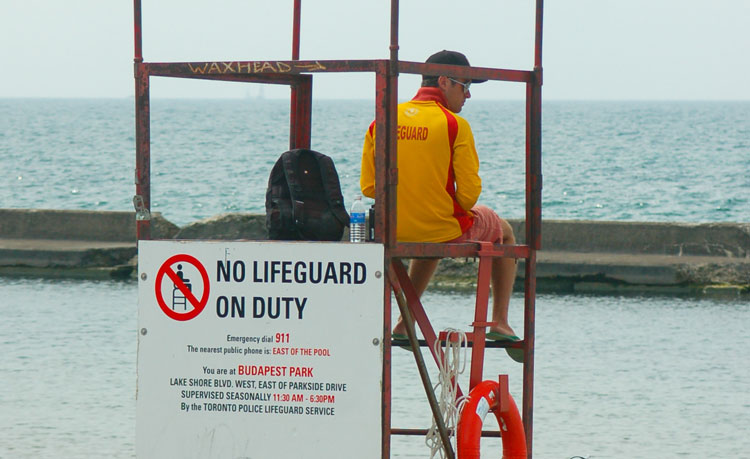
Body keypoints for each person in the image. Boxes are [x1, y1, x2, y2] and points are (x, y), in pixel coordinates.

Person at [359, 50, 522, 362]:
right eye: (465, 86)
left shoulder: (380, 121)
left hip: (391, 229)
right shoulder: (454, 124)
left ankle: (404, 323)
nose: (469, 94)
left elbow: (368, 187)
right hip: (439, 227)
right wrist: (444, 204)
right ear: (445, 82)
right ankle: (500, 321)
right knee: (504, 231)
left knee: (431, 235)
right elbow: (469, 195)